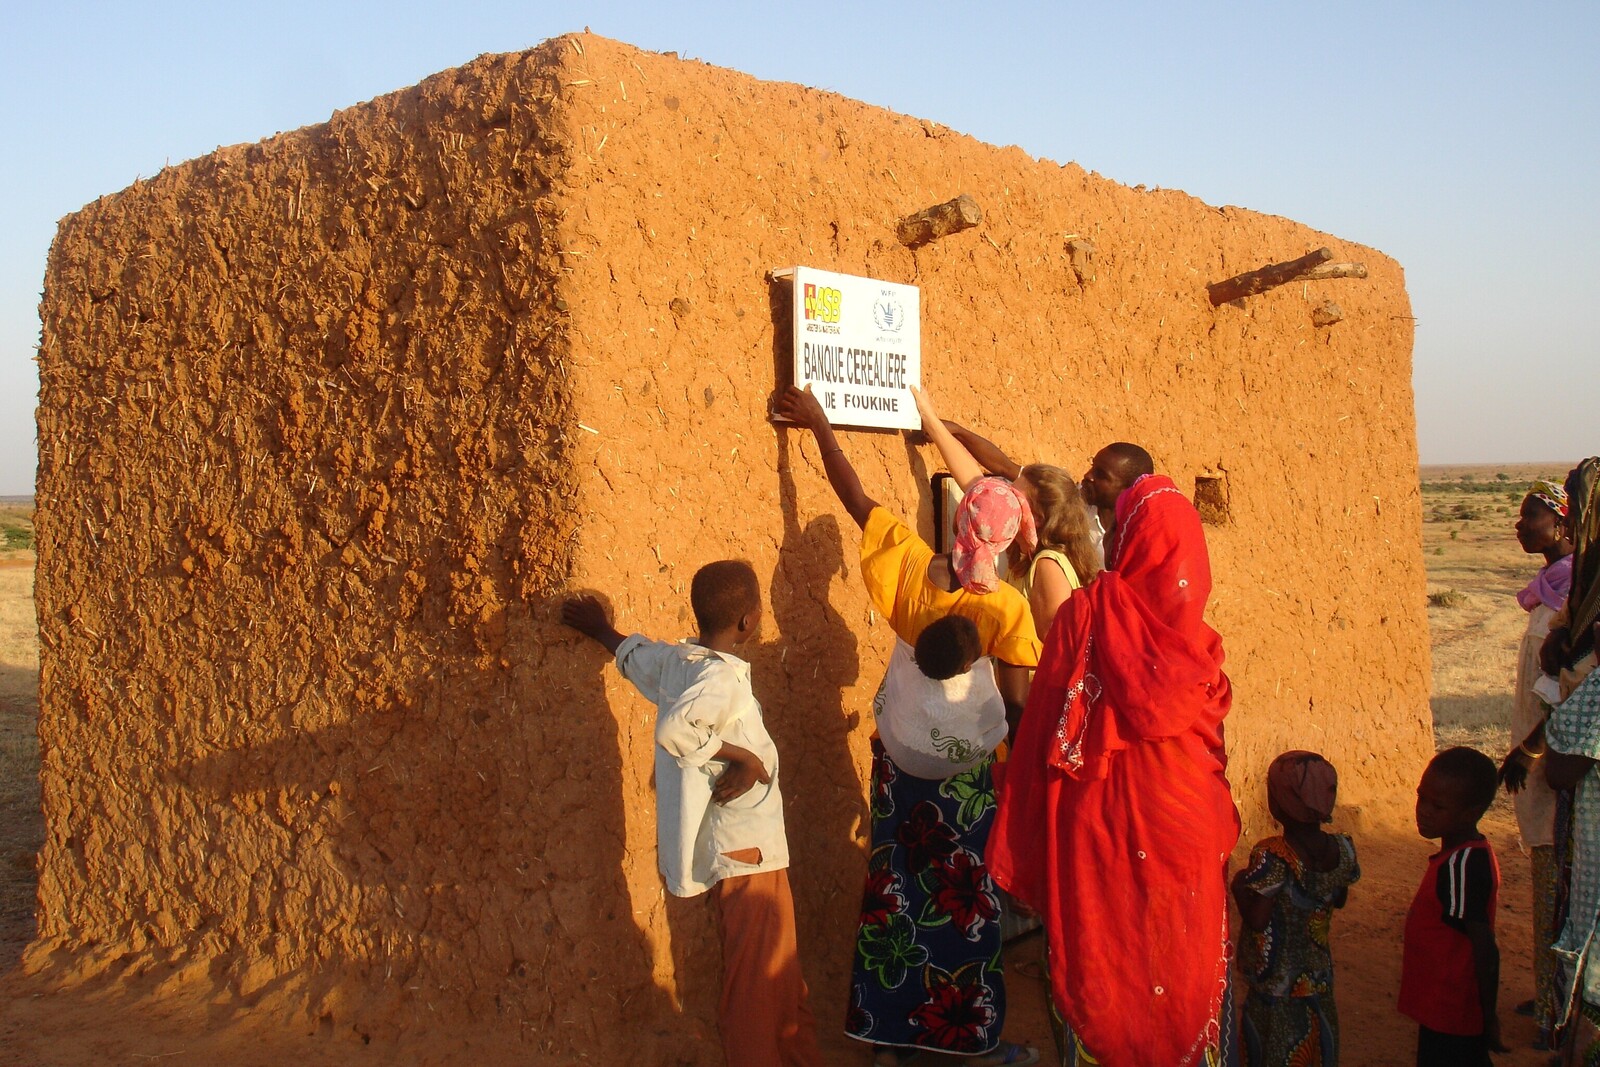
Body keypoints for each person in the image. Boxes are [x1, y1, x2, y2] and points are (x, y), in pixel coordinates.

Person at [773, 384, 1041, 1067]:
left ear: (957, 525)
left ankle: (886, 1033)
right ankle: (969, 1042)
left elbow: (854, 494)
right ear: (1005, 543)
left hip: (899, 769)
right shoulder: (1008, 609)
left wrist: (818, 424)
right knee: (965, 905)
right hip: (969, 783)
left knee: (893, 891)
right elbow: (1014, 706)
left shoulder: (911, 569)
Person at [988, 462, 1239, 1066]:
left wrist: (1028, 843)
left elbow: (1044, 735)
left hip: (1098, 847)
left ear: (1127, 542)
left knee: (1107, 962)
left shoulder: (1088, 617)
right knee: (1183, 963)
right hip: (1187, 843)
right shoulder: (1201, 653)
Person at [560, 561, 822, 1067]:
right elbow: (677, 730)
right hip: (749, 855)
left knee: (784, 980)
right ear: (749, 622)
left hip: (758, 852)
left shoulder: (686, 663)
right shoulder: (721, 680)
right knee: (755, 985)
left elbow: (638, 657)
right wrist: (743, 757)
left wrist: (600, 630)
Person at [911, 387, 1100, 638]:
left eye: (1014, 496)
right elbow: (974, 482)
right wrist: (931, 421)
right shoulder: (1029, 553)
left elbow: (1055, 646)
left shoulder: (1048, 566)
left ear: (1038, 519)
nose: (1001, 499)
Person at [1496, 479, 1573, 1045]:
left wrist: (1532, 749)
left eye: (1532, 519)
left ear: (1565, 526)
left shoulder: (1577, 597)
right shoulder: (1552, 590)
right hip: (1539, 755)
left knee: (1558, 877)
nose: (1522, 527)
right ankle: (1551, 991)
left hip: (1557, 760)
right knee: (1547, 874)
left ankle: (1559, 1008)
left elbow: (1573, 688)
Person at [1232, 752, 1360, 1067]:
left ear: (1277, 805)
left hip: (1277, 985)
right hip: (1318, 978)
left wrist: (1238, 890)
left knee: (1274, 1052)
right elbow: (1339, 898)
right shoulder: (1343, 849)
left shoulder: (1272, 855)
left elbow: (1259, 919)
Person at [1399, 746, 1505, 1067]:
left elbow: (1484, 946)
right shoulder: (1458, 857)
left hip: (1452, 1011)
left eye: (1438, 805)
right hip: (1442, 1010)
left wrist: (1489, 1016)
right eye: (1422, 798)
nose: (1424, 811)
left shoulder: (1462, 865)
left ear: (1470, 812)